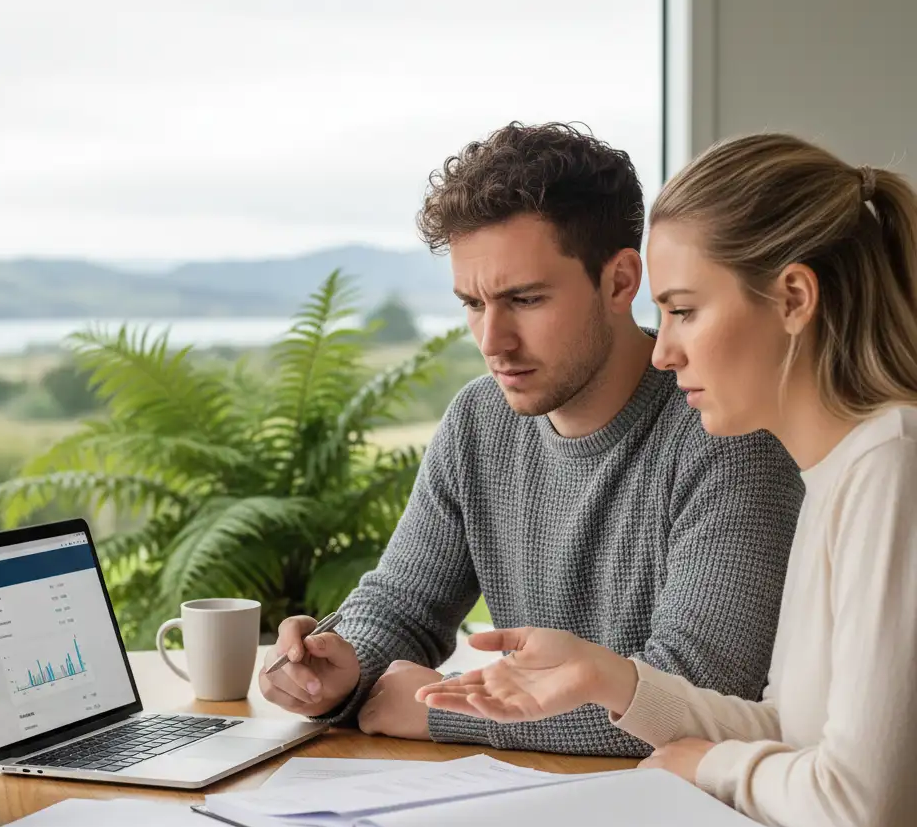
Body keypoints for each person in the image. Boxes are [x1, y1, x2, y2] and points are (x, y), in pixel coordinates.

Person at [418, 132, 917, 827]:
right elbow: (791, 731)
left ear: (794, 300)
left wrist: (703, 766)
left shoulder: (892, 465)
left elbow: (865, 811)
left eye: (683, 311)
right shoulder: (838, 473)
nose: (662, 350)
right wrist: (607, 679)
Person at [259, 122, 803, 756]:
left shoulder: (726, 435)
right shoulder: (479, 422)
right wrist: (342, 668)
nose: (493, 342)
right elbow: (403, 604)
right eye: (472, 303)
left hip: (677, 821)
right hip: (527, 803)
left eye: (525, 299)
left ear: (622, 282)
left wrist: (442, 711)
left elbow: (695, 691)